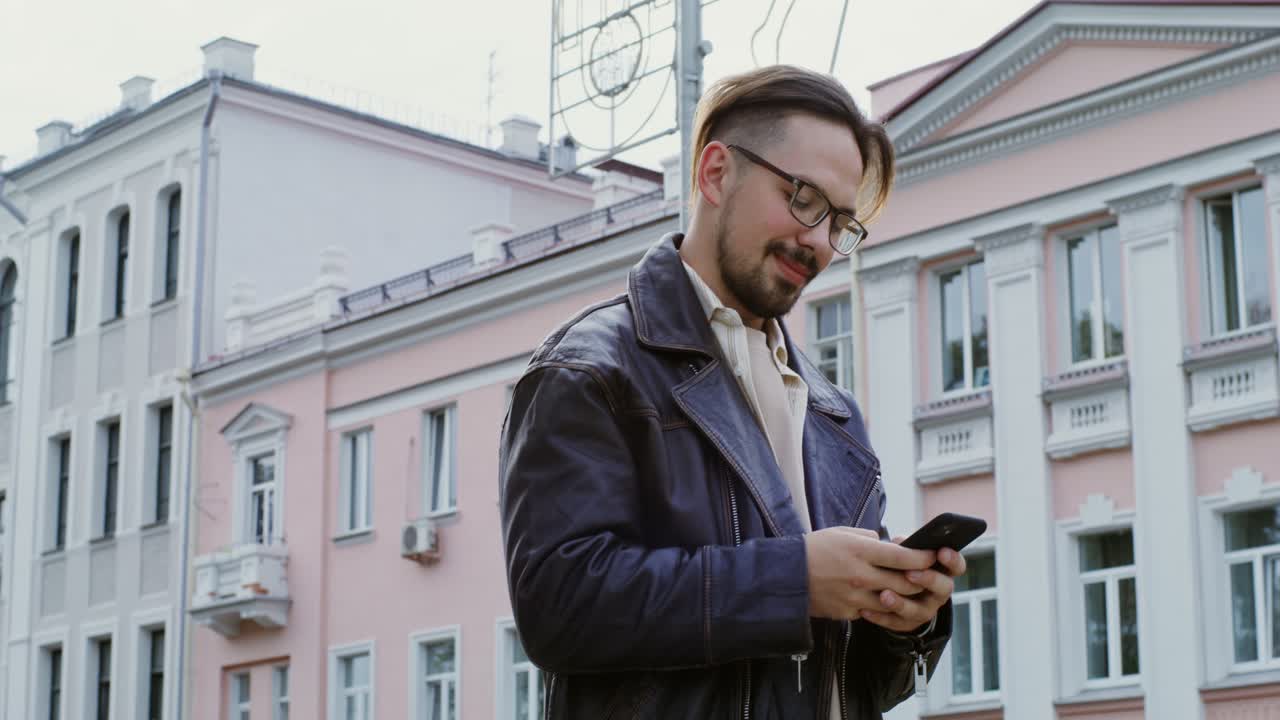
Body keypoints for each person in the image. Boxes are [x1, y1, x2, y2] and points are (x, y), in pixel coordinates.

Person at [499, 64, 965, 720]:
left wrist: (903, 620)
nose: (818, 242)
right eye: (803, 198)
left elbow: (859, 685)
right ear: (716, 172)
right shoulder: (587, 370)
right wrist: (796, 581)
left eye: (839, 222)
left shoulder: (833, 413)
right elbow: (561, 609)